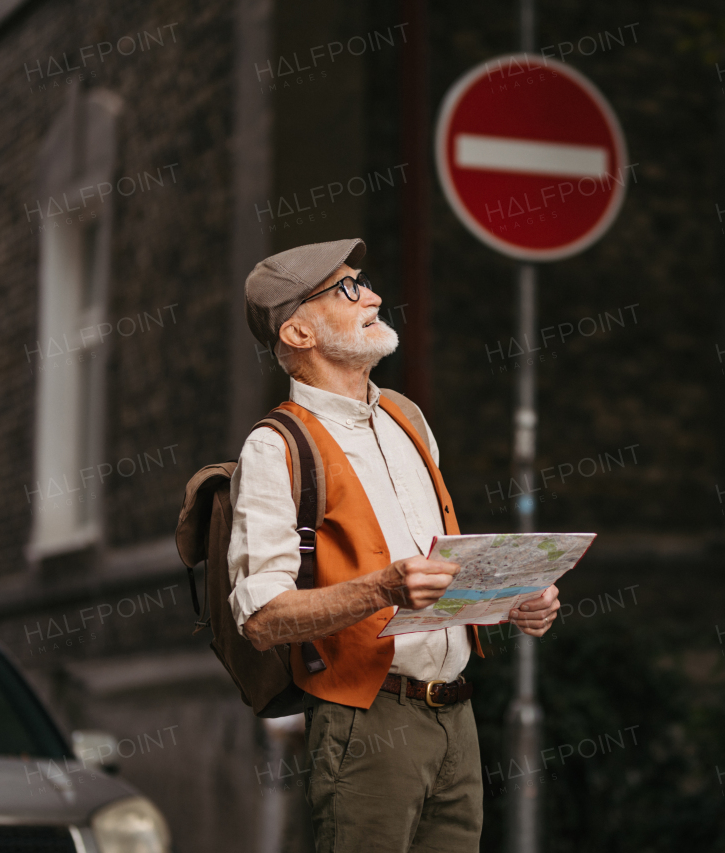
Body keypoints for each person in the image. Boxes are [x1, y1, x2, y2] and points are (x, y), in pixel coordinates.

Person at [230, 238, 560, 852]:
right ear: (299, 332)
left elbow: (434, 571)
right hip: (365, 719)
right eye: (348, 288)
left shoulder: (407, 417)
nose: (374, 295)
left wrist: (512, 597)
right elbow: (261, 617)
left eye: (366, 279)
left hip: (456, 717)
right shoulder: (274, 447)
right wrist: (383, 587)